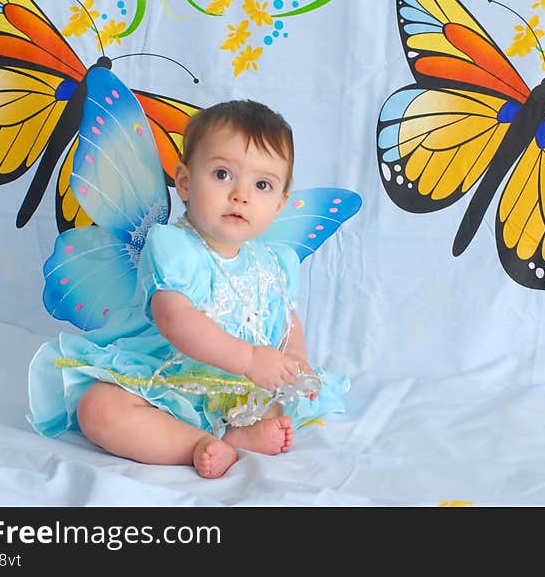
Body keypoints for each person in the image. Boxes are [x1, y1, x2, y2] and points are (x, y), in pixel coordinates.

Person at [27, 100, 348, 478]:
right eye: (223, 174)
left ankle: (237, 434)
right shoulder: (174, 248)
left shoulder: (274, 263)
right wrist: (248, 359)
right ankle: (195, 443)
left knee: (282, 400)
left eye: (262, 184)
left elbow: (285, 316)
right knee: (98, 409)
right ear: (184, 182)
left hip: (238, 388)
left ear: (279, 204)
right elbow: (174, 319)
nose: (240, 194)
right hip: (161, 375)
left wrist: (296, 358)